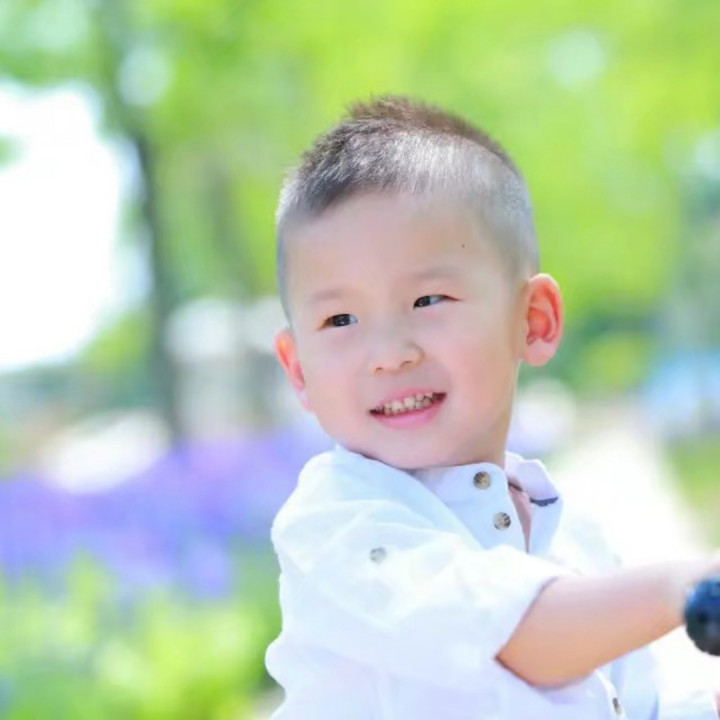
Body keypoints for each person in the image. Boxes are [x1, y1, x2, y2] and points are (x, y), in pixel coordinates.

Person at [264, 95, 720, 718]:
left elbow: (638, 705)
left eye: (427, 301)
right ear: (298, 369)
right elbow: (524, 640)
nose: (389, 354)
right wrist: (684, 586)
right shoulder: (338, 526)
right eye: (340, 319)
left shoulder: (571, 538)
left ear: (532, 320)